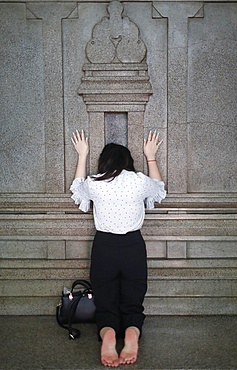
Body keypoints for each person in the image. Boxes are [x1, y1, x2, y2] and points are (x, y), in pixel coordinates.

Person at [70, 129, 166, 368]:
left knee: (105, 299)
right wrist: (151, 155)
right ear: (128, 162)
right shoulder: (138, 181)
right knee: (133, 299)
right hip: (133, 245)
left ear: (104, 162)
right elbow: (159, 189)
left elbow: (77, 190)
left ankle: (109, 335)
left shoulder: (95, 183)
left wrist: (82, 154)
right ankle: (132, 335)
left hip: (104, 246)